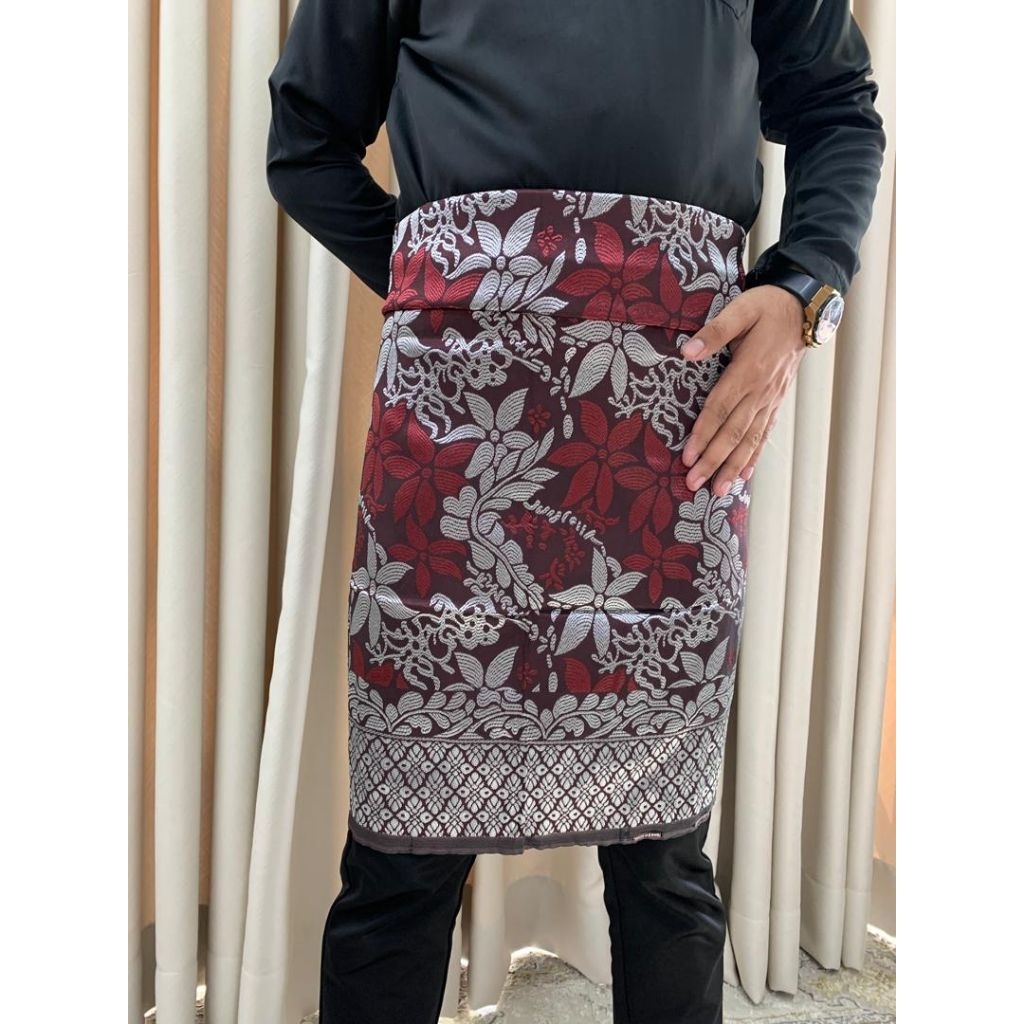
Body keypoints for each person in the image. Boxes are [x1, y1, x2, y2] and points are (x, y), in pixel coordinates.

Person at [265, 2, 886, 1022]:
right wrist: (449, 279)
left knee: (665, 861)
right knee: (400, 859)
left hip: (670, 432)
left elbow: (835, 109)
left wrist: (803, 285)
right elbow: (305, 144)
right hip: (455, 432)